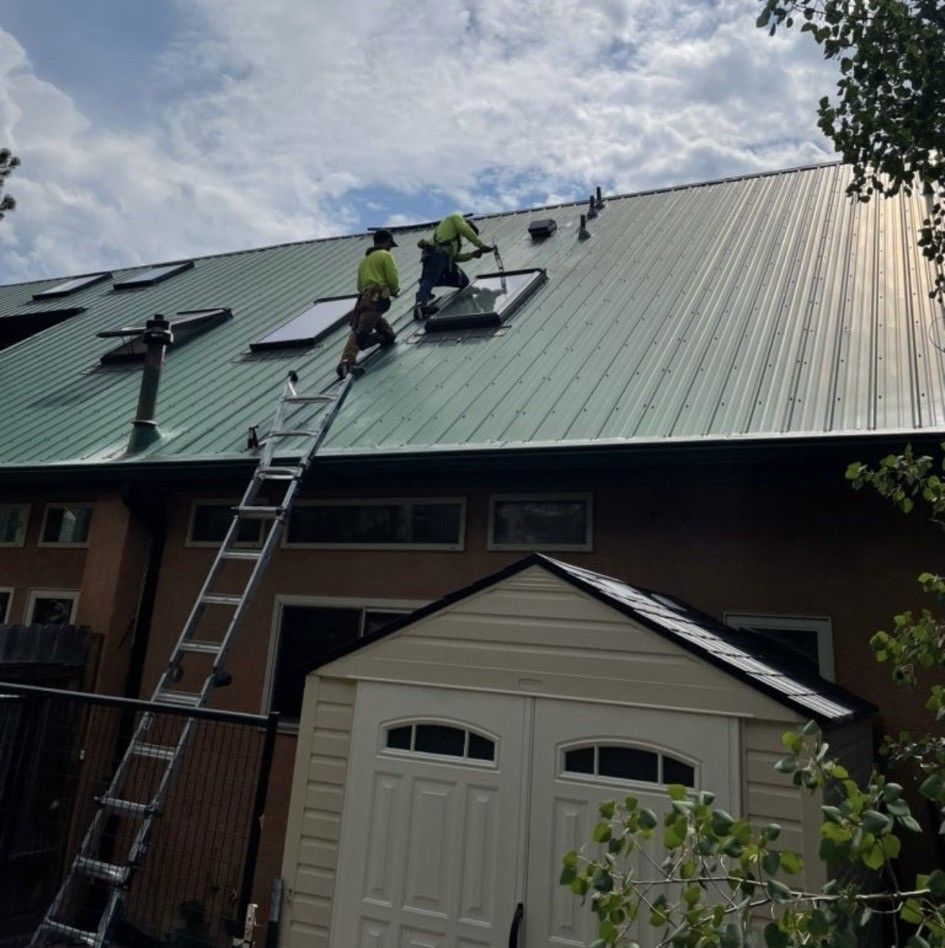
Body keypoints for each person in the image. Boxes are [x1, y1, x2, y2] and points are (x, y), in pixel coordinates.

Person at [337, 229, 400, 379]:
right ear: (386, 242)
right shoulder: (386, 255)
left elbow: (359, 286)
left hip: (365, 299)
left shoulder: (364, 261)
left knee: (389, 335)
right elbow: (392, 277)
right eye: (390, 244)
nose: (391, 247)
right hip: (378, 299)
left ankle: (377, 338)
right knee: (361, 331)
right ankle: (346, 363)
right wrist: (394, 289)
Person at [413, 213, 495, 319]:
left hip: (445, 259)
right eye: (470, 233)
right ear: (467, 224)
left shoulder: (454, 238)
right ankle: (421, 307)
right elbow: (465, 229)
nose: (466, 236)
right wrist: (481, 245)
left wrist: (472, 255)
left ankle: (424, 286)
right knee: (430, 279)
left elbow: (455, 257)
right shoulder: (456, 218)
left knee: (463, 281)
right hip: (436, 253)